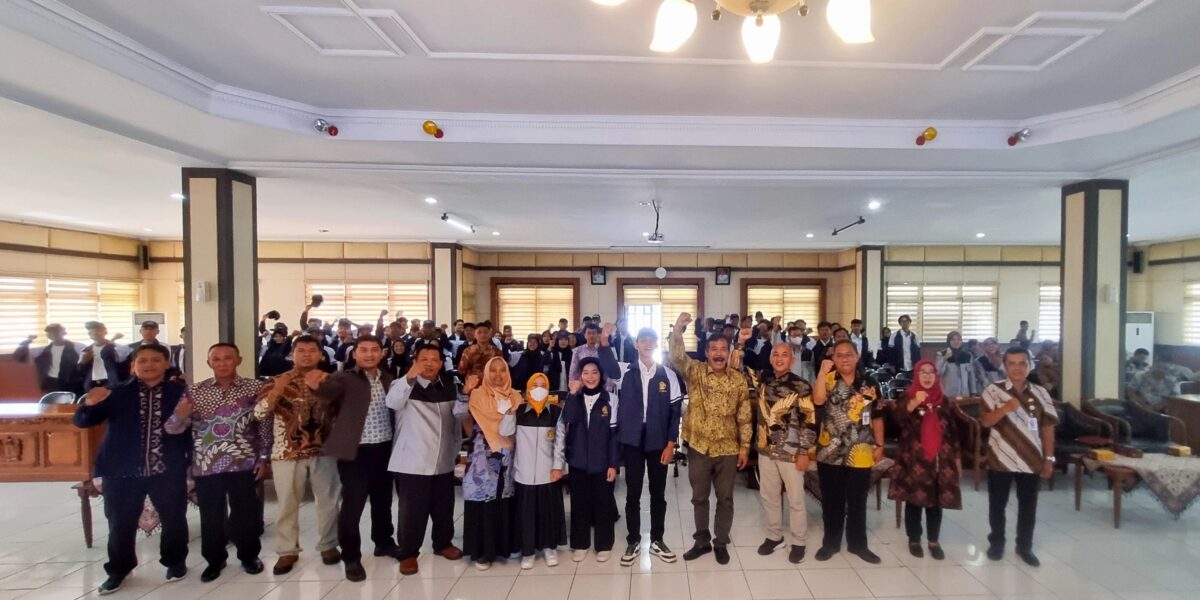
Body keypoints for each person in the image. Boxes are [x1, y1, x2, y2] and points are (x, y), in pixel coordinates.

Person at [74, 344, 191, 595]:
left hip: (167, 468)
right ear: (133, 366)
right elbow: (83, 422)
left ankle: (175, 562)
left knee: (174, 519)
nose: (149, 365)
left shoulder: (181, 393)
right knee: (120, 523)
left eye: (155, 360)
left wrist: (191, 464)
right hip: (121, 470)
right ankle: (118, 570)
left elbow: (192, 431)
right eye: (142, 361)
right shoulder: (115, 392)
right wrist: (89, 403)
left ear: (166, 364)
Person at [164, 343, 268, 582]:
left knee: (246, 513)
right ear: (209, 363)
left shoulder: (255, 388)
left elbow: (264, 424)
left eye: (227, 358)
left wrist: (263, 457)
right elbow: (172, 428)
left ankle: (249, 556)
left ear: (238, 360)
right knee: (211, 515)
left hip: (244, 460)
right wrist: (179, 417)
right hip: (206, 462)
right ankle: (214, 560)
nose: (222, 363)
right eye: (216, 359)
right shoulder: (195, 391)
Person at [308, 335, 398, 581]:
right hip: (355, 452)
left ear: (382, 353)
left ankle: (383, 542)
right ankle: (351, 556)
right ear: (354, 354)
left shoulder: (389, 378)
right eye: (364, 350)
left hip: (384, 448)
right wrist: (316, 386)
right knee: (353, 505)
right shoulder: (343, 378)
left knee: (383, 500)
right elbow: (327, 393)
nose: (369, 354)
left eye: (374, 350)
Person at [253, 335, 341, 575]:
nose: (306, 355)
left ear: (320, 354)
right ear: (292, 354)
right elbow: (259, 414)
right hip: (286, 451)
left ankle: (328, 545)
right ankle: (287, 550)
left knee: (329, 500)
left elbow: (343, 412)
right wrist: (278, 390)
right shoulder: (276, 381)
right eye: (301, 350)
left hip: (324, 449)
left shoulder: (331, 380)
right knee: (287, 503)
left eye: (312, 350)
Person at [670, 313, 751, 565]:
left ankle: (721, 542)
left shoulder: (737, 379)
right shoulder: (695, 371)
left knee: (725, 499)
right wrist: (678, 329)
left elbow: (744, 416)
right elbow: (676, 357)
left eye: (723, 349)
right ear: (706, 353)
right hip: (699, 447)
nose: (718, 353)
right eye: (713, 349)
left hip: (728, 449)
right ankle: (702, 541)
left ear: (728, 353)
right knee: (699, 498)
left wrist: (744, 447)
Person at [385, 342, 467, 576]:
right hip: (413, 459)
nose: (429, 364)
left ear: (441, 364)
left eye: (434, 360)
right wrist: (410, 377)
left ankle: (442, 543)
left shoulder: (449, 386)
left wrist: (456, 451)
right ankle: (408, 553)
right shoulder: (403, 385)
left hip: (443, 458)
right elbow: (392, 402)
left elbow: (457, 419)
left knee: (444, 506)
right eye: (424, 359)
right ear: (415, 361)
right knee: (413, 510)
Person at [735, 334, 816, 564]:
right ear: (770, 359)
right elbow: (739, 367)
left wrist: (804, 452)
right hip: (765, 450)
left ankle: (798, 542)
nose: (780, 359)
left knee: (795, 500)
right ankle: (774, 536)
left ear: (792, 359)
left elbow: (809, 421)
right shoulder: (764, 381)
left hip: (791, 453)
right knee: (769, 496)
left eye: (784, 355)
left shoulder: (801, 386)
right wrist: (740, 344)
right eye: (776, 355)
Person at [979, 347, 1058, 567]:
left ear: (1029, 365)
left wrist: (1049, 458)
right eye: (1012, 363)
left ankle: (1025, 547)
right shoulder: (993, 391)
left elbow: (1048, 428)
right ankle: (997, 543)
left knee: (1028, 506)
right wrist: (1005, 408)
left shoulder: (1041, 393)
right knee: (997, 504)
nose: (1017, 368)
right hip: (1000, 458)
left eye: (1022, 363)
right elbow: (985, 421)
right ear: (1005, 366)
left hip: (1031, 458)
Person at [812, 340, 885, 564]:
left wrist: (880, 445)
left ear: (857, 356)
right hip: (829, 452)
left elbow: (877, 416)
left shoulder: (870, 383)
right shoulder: (828, 380)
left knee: (857, 500)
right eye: (839, 355)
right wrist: (822, 373)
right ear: (833, 358)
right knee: (831, 501)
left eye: (848, 354)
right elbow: (818, 400)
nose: (844, 358)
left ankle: (858, 544)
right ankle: (830, 543)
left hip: (860, 451)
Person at [615, 327, 682, 566]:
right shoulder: (625, 371)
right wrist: (603, 340)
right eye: (643, 340)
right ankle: (633, 540)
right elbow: (606, 366)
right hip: (632, 440)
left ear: (656, 344)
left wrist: (671, 444)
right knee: (632, 493)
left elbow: (675, 413)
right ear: (636, 344)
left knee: (658, 493)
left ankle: (657, 540)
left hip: (658, 441)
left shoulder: (668, 375)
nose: (648, 344)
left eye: (652, 340)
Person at [887, 360, 962, 561]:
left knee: (936, 502)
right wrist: (912, 404)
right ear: (916, 376)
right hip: (914, 460)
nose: (927, 376)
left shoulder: (944, 402)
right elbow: (896, 421)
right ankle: (914, 539)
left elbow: (953, 432)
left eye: (931, 372)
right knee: (914, 501)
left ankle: (933, 541)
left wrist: (956, 458)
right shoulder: (907, 396)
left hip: (940, 460)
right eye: (923, 372)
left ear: (936, 376)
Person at [554, 357, 620, 563]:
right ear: (580, 376)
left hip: (602, 462)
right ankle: (580, 544)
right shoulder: (575, 398)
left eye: (594, 372)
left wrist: (613, 464)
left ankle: (604, 544)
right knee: (579, 503)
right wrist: (573, 394)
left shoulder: (611, 399)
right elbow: (569, 419)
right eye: (585, 373)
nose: (590, 377)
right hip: (578, 461)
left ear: (601, 375)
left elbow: (614, 435)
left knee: (603, 503)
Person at [462, 356, 523, 570]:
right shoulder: (477, 394)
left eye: (502, 370)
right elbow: (459, 415)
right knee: (484, 501)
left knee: (505, 499)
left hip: (508, 456)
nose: (498, 375)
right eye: (493, 370)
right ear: (487, 373)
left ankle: (505, 547)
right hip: (482, 457)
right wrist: (465, 392)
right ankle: (482, 552)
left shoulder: (516, 396)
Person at [513, 373, 566, 569]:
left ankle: (549, 548)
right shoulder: (519, 411)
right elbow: (505, 433)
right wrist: (508, 412)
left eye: (543, 385)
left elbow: (560, 442)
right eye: (534, 385)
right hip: (523, 473)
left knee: (547, 514)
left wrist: (558, 466)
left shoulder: (555, 412)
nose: (538, 389)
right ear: (528, 388)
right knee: (526, 514)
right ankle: (527, 551)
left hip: (547, 473)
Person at [14, 323, 85, 395]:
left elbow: (88, 358)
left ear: (63, 333)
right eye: (50, 332)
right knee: (52, 402)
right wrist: (27, 341)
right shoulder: (42, 350)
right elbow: (20, 356)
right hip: (51, 384)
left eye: (56, 331)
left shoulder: (77, 347)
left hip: (73, 383)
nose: (53, 334)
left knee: (73, 401)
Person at [1129, 353, 1196, 411]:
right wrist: (1141, 404)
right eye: (1158, 367)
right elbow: (1130, 391)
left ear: (1170, 368)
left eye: (1165, 369)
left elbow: (1175, 398)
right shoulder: (1141, 375)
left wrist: (1158, 407)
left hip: (1162, 410)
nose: (1161, 370)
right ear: (1154, 365)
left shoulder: (1172, 381)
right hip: (1140, 407)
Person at [568, 322, 622, 389]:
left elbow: (609, 368)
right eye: (589, 333)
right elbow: (573, 371)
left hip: (603, 386)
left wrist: (609, 386)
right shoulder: (578, 351)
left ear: (597, 335)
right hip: (584, 386)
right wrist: (573, 386)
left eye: (593, 333)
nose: (591, 336)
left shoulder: (604, 351)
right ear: (584, 335)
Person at [79, 321, 130, 391]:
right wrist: (83, 362)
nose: (95, 334)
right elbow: (81, 370)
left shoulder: (118, 348)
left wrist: (113, 340)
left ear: (105, 332)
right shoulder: (86, 350)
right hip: (91, 384)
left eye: (98, 331)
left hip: (111, 382)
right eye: (91, 332)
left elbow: (122, 362)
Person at [937, 331, 977, 398]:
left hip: (964, 393)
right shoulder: (942, 354)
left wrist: (973, 392)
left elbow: (971, 375)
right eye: (953, 340)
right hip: (948, 393)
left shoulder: (967, 355)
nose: (956, 342)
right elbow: (938, 372)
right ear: (948, 341)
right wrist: (944, 359)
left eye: (958, 339)